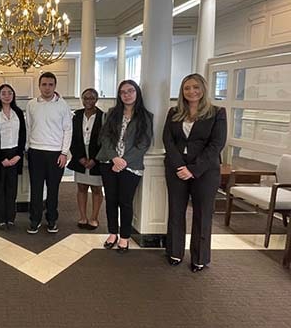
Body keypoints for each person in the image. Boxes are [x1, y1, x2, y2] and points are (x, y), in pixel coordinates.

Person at [163, 73, 227, 272]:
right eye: (187, 88)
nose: (191, 91)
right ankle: (174, 252)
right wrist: (179, 166)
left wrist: (193, 169)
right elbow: (168, 141)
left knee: (203, 214)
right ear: (182, 91)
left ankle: (200, 257)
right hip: (177, 168)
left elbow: (216, 144)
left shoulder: (217, 113)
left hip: (205, 171)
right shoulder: (174, 112)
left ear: (203, 89)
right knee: (176, 211)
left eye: (195, 87)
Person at [96, 80, 153, 253]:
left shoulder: (145, 116)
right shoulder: (111, 113)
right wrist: (114, 158)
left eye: (130, 91)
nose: (127, 95)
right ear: (119, 95)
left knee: (125, 202)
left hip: (131, 166)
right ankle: (112, 233)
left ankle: (125, 237)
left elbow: (144, 143)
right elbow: (104, 138)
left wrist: (123, 161)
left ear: (137, 93)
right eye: (123, 92)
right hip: (109, 164)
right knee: (111, 200)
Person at [25, 72, 72, 234]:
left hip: (55, 154)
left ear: (55, 86)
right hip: (36, 152)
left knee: (53, 189)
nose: (47, 88)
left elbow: (68, 130)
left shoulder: (63, 105)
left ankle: (52, 220)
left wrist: (64, 153)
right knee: (36, 189)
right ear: (39, 86)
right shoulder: (31, 104)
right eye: (44, 84)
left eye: (50, 84)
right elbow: (29, 128)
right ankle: (35, 220)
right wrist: (27, 149)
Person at [0, 84, 26, 230]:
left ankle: (10, 218)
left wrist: (18, 156)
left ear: (13, 95)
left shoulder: (18, 112)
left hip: (14, 154)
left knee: (11, 188)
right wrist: (1, 158)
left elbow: (23, 135)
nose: (7, 95)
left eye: (10, 93)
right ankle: (0, 218)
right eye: (3, 93)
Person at [67, 87, 104, 230]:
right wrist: (79, 157)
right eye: (85, 98)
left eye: (91, 98)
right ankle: (82, 217)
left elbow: (106, 140)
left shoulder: (103, 116)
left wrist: (95, 159)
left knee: (96, 188)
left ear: (96, 99)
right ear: (82, 99)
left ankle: (94, 218)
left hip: (97, 156)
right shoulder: (75, 115)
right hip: (80, 154)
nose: (88, 101)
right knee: (81, 187)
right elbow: (71, 137)